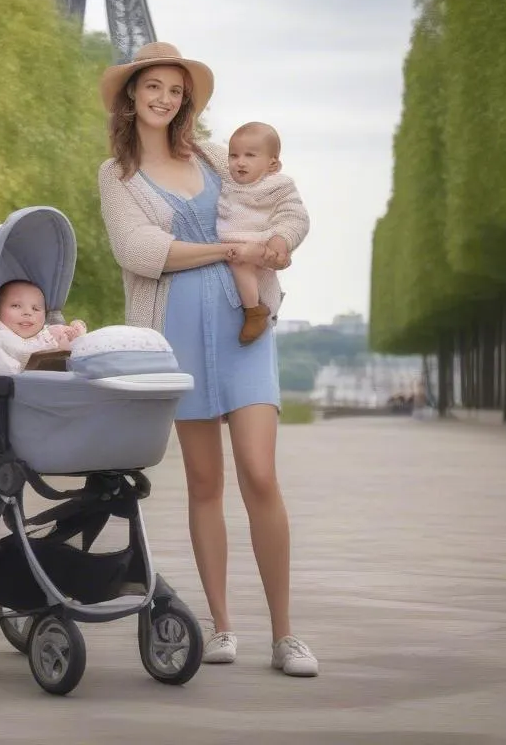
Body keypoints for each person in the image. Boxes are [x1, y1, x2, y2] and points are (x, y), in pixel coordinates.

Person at [97, 41, 318, 676]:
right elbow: (139, 249)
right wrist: (227, 249)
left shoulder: (219, 157)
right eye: (153, 88)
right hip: (178, 332)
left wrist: (279, 242)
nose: (165, 99)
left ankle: (285, 635)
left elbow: (286, 203)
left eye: (175, 89)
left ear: (184, 98)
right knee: (203, 482)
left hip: (244, 322)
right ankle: (222, 628)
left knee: (259, 473)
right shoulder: (116, 175)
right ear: (131, 96)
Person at [217, 121, 310, 346]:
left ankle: (254, 311)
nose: (240, 162)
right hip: (223, 247)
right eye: (233, 155)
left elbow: (295, 217)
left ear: (273, 164)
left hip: (255, 245)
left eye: (250, 155)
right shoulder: (225, 182)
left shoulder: (279, 187)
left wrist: (279, 242)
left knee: (242, 263)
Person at [0, 279, 87, 375]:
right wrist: (59, 349)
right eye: (16, 306)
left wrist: (72, 333)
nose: (28, 313)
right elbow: (25, 355)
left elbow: (46, 335)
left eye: (35, 309)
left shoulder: (42, 331)